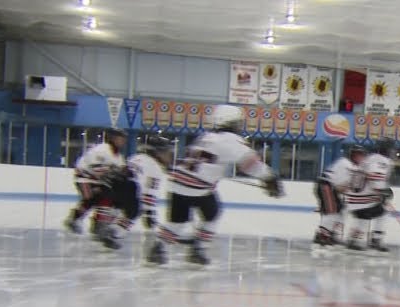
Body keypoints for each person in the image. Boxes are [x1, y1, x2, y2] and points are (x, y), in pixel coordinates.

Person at [149, 104, 283, 266]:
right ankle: (198, 249)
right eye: (238, 122)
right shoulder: (231, 139)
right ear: (231, 122)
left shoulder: (205, 137)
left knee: (178, 221)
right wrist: (269, 177)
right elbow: (250, 163)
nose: (240, 126)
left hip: (177, 182)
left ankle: (159, 248)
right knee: (213, 215)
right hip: (198, 188)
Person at [99, 134, 172, 251]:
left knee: (121, 205)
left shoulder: (137, 157)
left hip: (111, 182)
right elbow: (149, 195)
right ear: (158, 152)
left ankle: (108, 226)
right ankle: (114, 233)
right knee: (134, 211)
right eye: (166, 152)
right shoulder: (156, 168)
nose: (168, 156)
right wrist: (149, 215)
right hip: (128, 185)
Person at [66, 129, 128, 234]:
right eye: (121, 138)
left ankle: (96, 222)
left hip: (97, 180)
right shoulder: (101, 149)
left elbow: (121, 172)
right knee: (94, 198)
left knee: (104, 198)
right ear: (113, 138)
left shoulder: (118, 156)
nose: (123, 141)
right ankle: (81, 220)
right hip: (84, 177)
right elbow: (97, 169)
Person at [344, 138, 394, 252]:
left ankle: (353, 239)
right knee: (383, 212)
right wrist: (382, 190)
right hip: (363, 200)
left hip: (353, 199)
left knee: (364, 216)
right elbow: (376, 176)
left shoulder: (370, 158)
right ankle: (376, 239)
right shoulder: (382, 160)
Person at [315, 144, 368, 246]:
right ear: (352, 155)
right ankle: (322, 235)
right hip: (326, 186)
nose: (361, 158)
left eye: (361, 155)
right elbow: (340, 187)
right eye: (358, 155)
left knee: (339, 210)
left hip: (328, 186)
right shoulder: (346, 164)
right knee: (332, 211)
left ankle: (329, 233)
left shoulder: (348, 165)